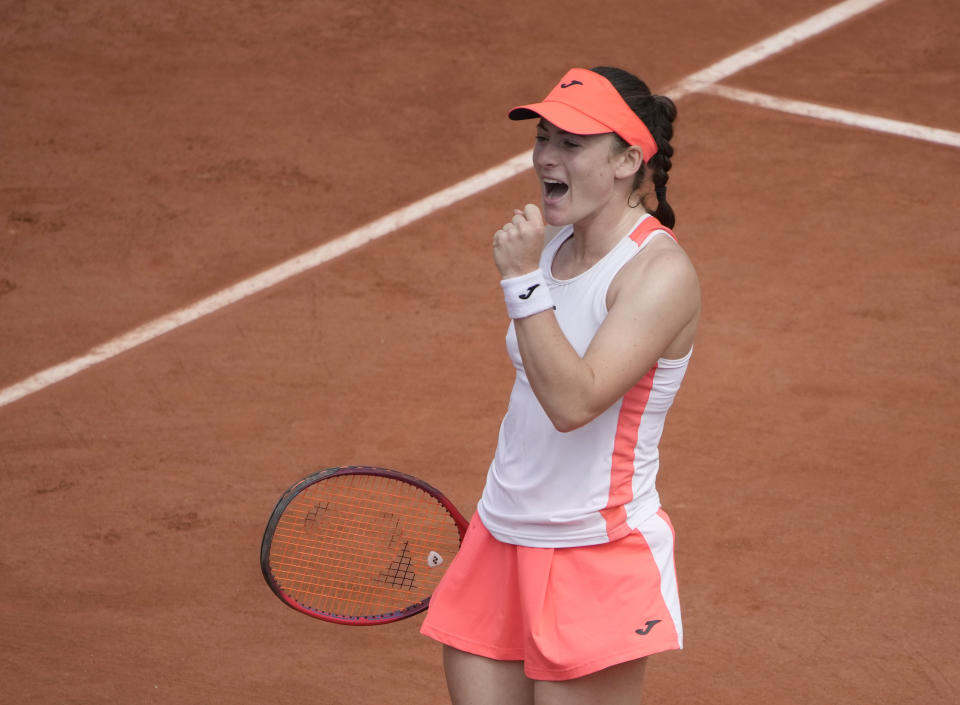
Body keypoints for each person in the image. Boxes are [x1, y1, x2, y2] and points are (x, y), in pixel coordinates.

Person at [420, 66, 700, 704]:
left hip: (593, 549)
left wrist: (521, 284)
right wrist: (530, 274)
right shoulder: (548, 249)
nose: (547, 157)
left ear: (629, 159)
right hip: (501, 534)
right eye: (544, 138)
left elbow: (575, 401)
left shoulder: (660, 273)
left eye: (572, 144)